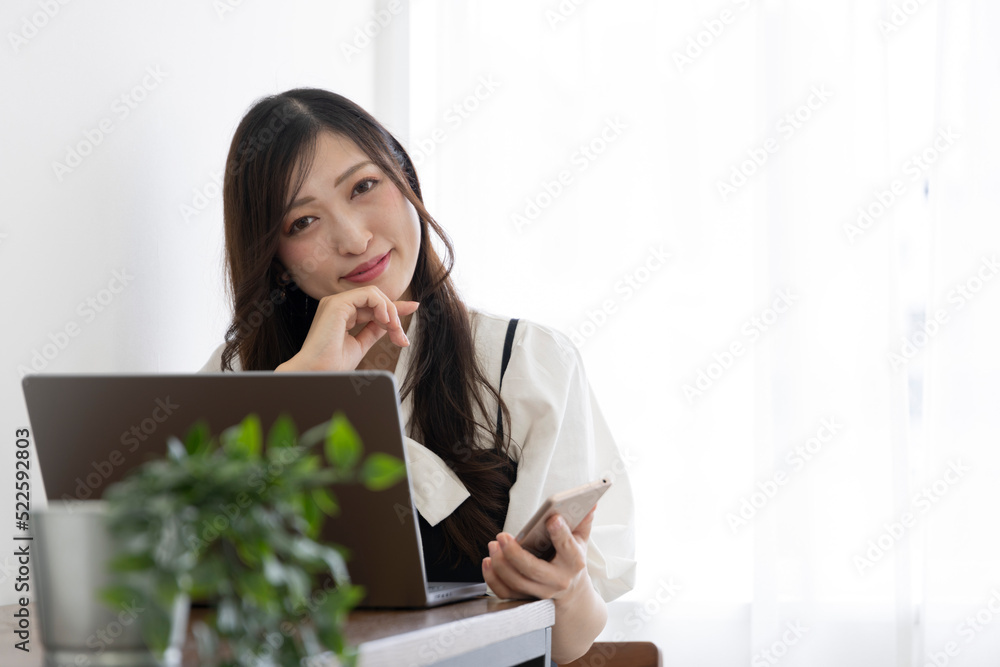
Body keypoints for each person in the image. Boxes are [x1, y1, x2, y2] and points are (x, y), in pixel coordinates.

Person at [197, 88, 636, 664]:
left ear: (405, 179)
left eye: (363, 186)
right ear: (275, 257)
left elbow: (569, 642)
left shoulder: (524, 361)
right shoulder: (238, 376)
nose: (354, 239)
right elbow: (186, 582)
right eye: (303, 221)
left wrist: (568, 589)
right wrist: (303, 389)